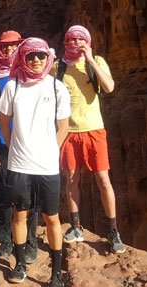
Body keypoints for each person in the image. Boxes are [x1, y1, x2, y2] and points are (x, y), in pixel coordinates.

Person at [0, 38, 70, 287]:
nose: (36, 60)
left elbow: (64, 127)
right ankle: (19, 264)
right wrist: (15, 145)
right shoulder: (13, 86)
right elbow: (4, 122)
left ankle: (57, 273)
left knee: (51, 217)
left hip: (47, 165)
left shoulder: (57, 87)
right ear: (23, 59)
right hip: (19, 164)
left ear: (47, 58)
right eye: (30, 56)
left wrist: (51, 150)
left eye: (40, 55)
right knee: (20, 214)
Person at [54, 25, 126, 254]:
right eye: (70, 39)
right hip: (68, 132)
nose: (74, 43)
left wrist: (89, 59)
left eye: (79, 39)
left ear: (87, 41)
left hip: (94, 129)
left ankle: (113, 231)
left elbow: (109, 86)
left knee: (103, 179)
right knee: (71, 179)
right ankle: (76, 227)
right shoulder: (58, 66)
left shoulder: (97, 61)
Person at [0, 30, 38, 263]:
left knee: (29, 193)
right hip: (2, 143)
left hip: (28, 142)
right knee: (6, 193)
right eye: (4, 46)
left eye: (14, 45)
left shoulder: (28, 74)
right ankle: (6, 240)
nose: (9, 49)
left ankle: (31, 241)